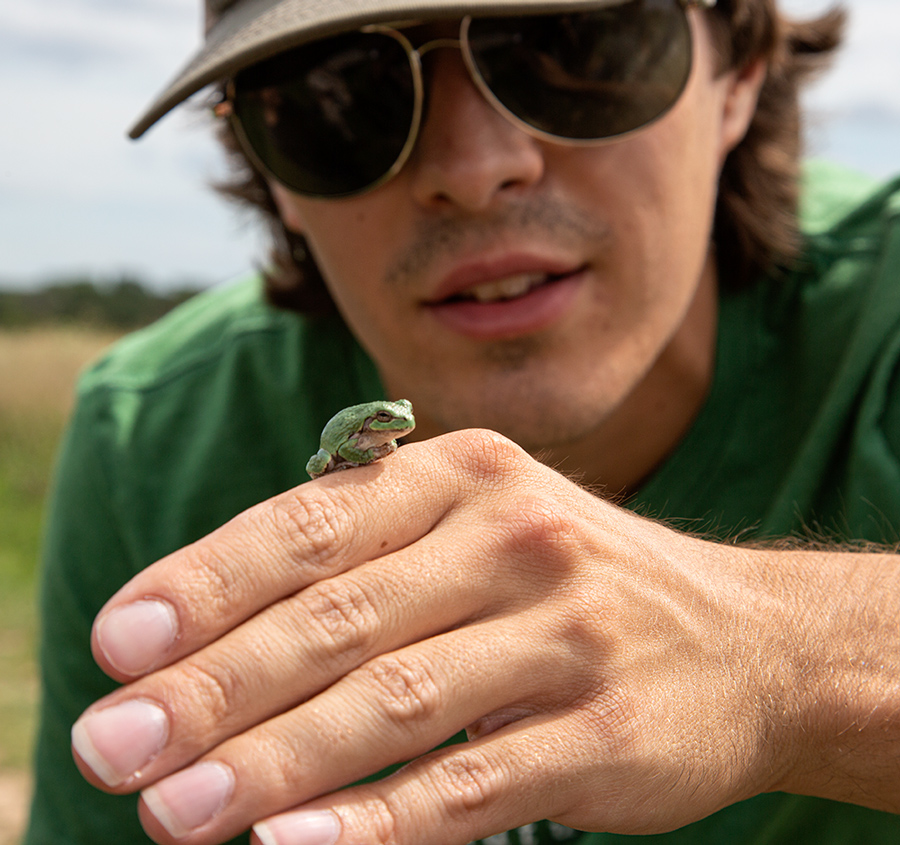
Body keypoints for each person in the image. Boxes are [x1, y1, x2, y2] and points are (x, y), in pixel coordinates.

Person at [23, 0, 900, 842]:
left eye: (575, 50)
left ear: (738, 75)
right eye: (343, 98)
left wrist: (779, 660)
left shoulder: (882, 312)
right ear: (265, 166)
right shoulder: (147, 434)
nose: (473, 169)